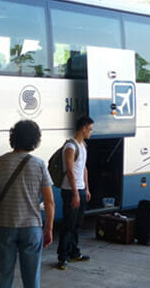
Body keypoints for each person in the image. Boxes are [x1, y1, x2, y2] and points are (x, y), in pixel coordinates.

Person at [0, 120, 55, 288]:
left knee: (4, 277)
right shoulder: (39, 165)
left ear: (13, 138)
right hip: (31, 227)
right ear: (35, 140)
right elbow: (49, 201)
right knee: (31, 280)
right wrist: (49, 228)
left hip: (4, 225)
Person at [56, 116, 93, 270]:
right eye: (90, 129)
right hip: (71, 191)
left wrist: (86, 188)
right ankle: (62, 256)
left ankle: (74, 252)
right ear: (83, 128)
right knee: (68, 224)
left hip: (81, 189)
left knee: (77, 224)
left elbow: (83, 168)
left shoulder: (82, 145)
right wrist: (76, 193)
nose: (91, 132)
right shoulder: (70, 147)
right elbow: (70, 171)